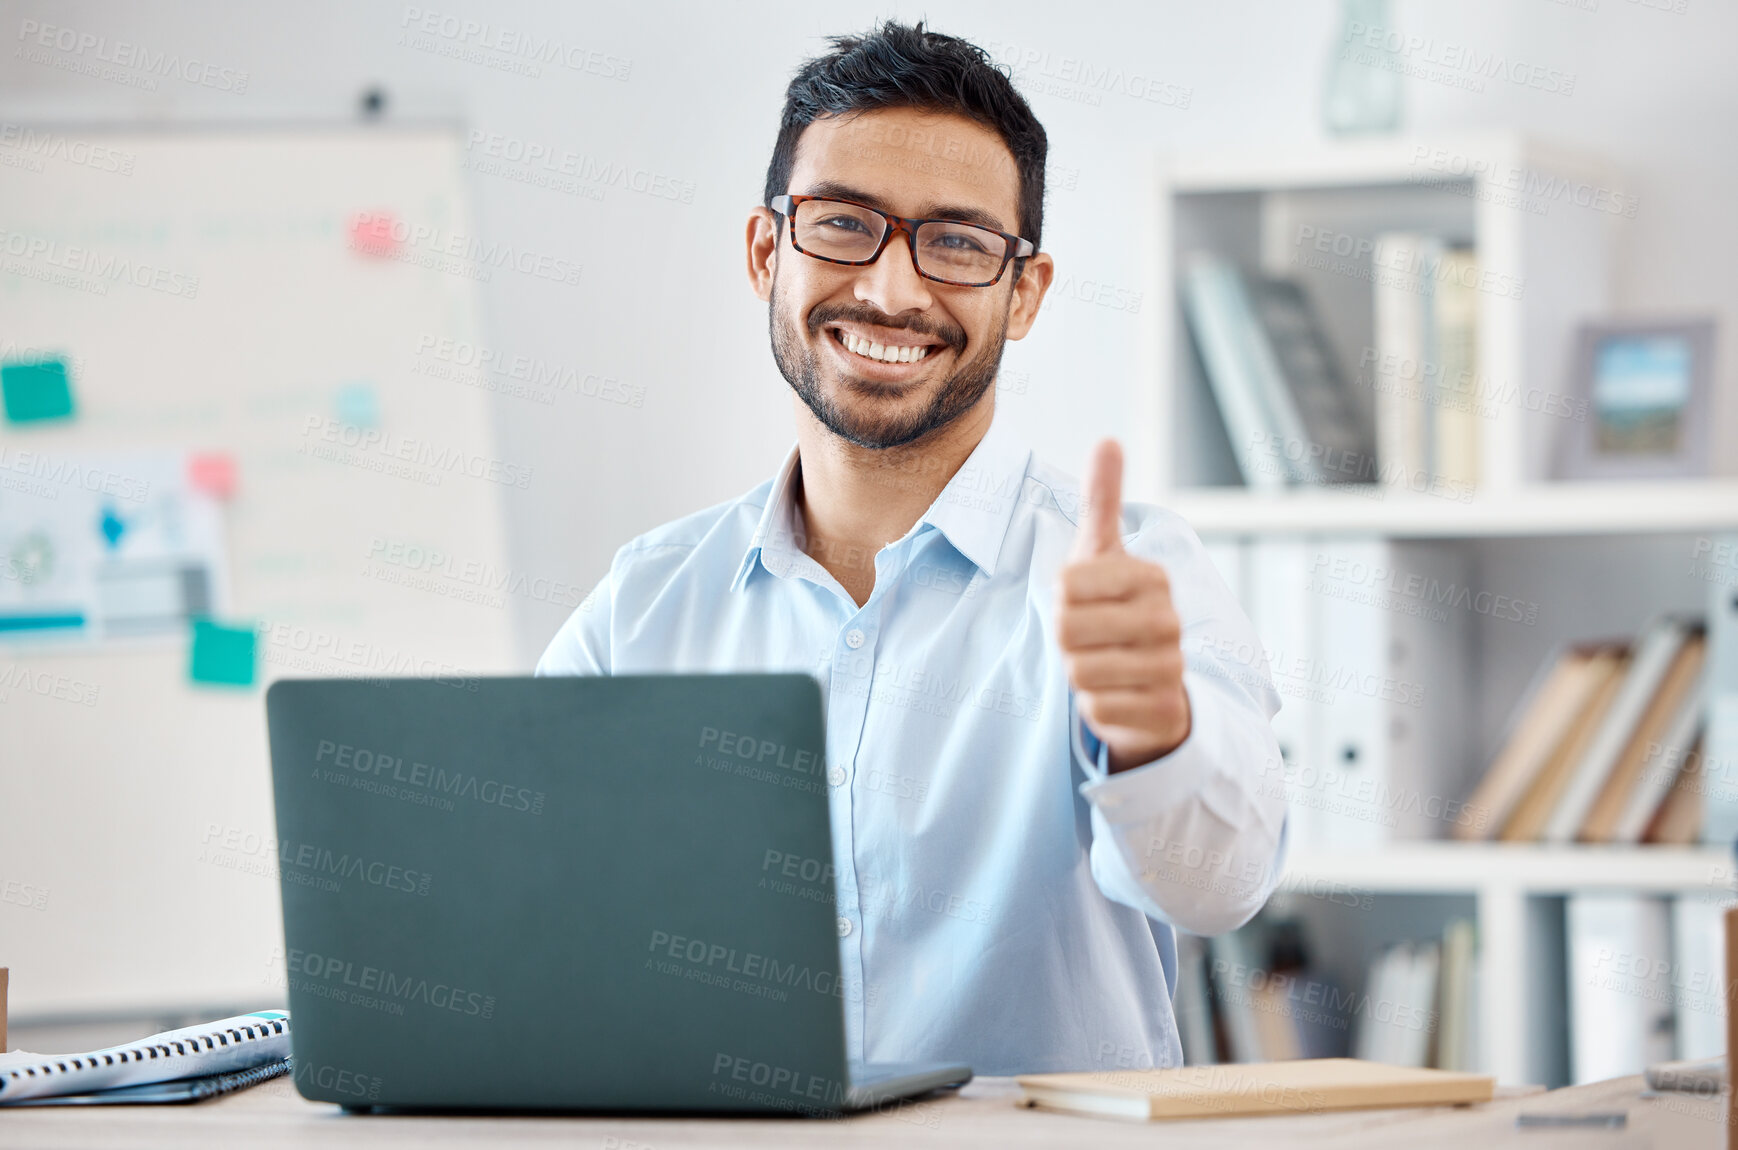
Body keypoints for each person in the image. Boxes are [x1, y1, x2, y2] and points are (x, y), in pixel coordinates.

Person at [538, 20, 1287, 1076]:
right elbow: (531, 907)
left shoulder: (1131, 579)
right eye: (843, 224)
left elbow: (1223, 883)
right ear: (766, 251)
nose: (893, 291)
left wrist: (1153, 732)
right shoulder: (645, 606)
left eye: (958, 243)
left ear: (1021, 292)